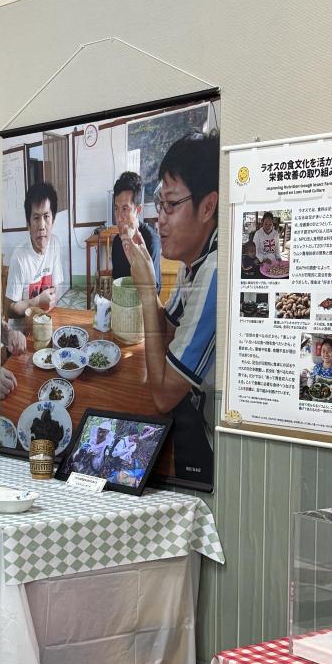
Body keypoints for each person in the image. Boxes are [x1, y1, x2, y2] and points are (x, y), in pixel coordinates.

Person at [120, 131, 218, 489]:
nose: (160, 219)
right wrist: (146, 265)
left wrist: (147, 290)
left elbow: (162, 396)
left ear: (208, 206)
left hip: (212, 445)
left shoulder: (215, 271)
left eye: (172, 205)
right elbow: (170, 328)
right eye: (159, 205)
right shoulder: (198, 257)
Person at [5, 182, 63, 329]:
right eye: (36, 218)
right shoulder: (19, 257)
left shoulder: (55, 244)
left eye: (46, 216)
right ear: (29, 223)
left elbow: (57, 287)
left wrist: (51, 299)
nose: (42, 225)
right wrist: (36, 302)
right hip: (23, 335)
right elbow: (9, 309)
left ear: (53, 219)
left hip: (45, 325)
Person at [110, 172, 160, 291]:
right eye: (116, 208)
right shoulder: (117, 242)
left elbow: (154, 291)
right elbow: (116, 283)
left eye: (125, 209)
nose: (119, 217)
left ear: (138, 210)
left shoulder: (150, 241)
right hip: (122, 305)